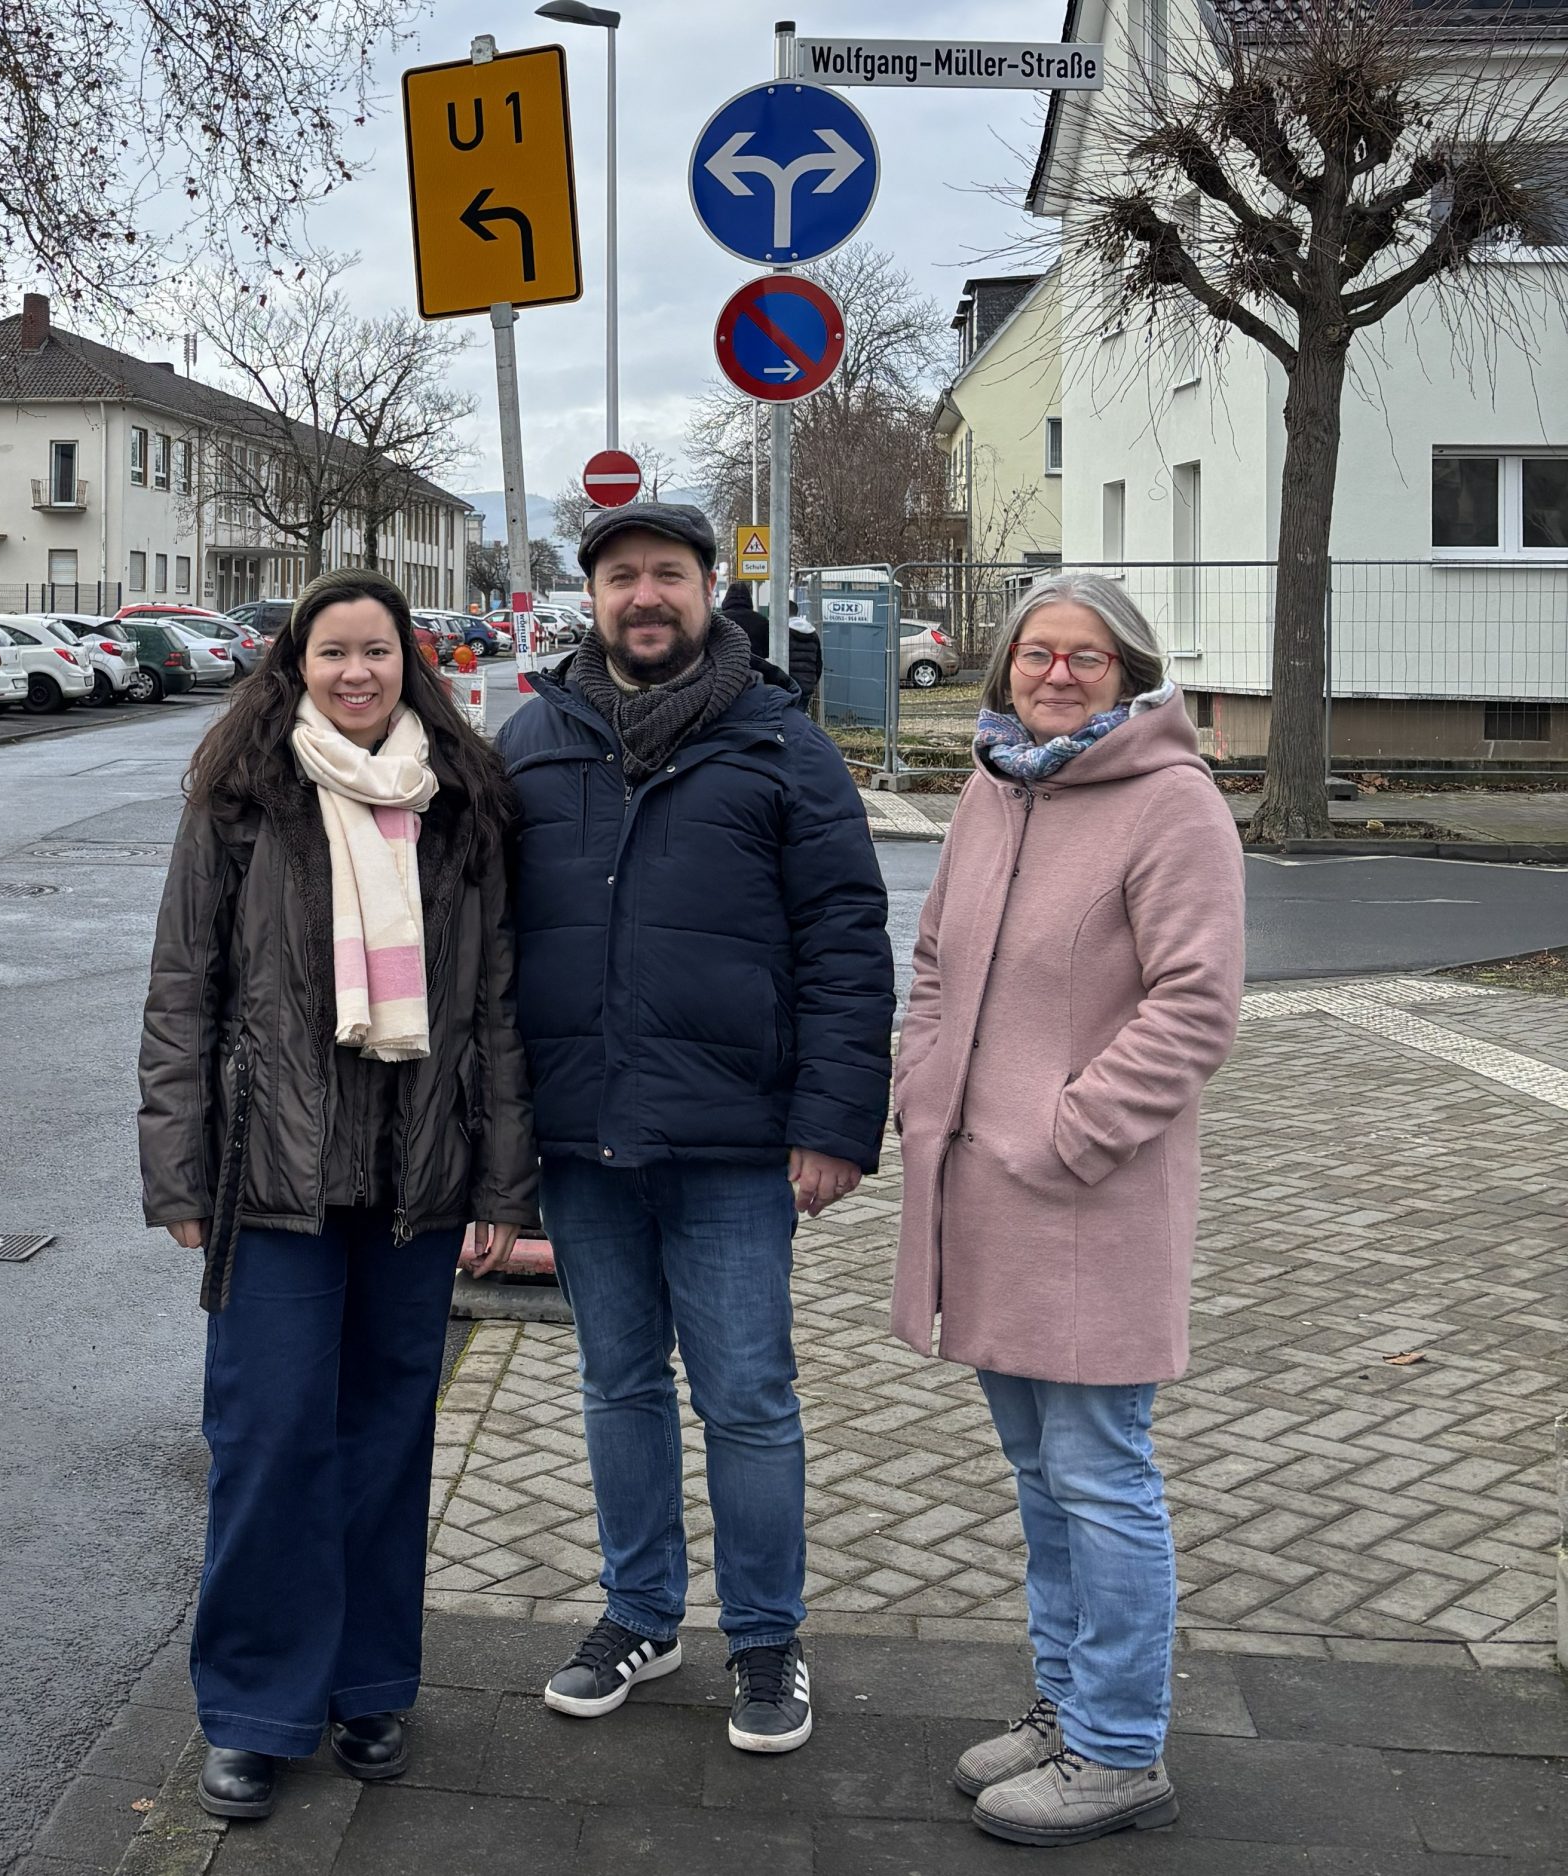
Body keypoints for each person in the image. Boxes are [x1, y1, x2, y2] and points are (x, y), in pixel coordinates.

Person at [137, 566, 538, 1822]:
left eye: (375, 651)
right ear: (294, 666)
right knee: (265, 1444)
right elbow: (181, 994)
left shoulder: (465, 798)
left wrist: (504, 1182)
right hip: (272, 1179)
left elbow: (496, 1008)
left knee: (385, 1437)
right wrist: (178, 1170)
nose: (355, 672)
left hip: (418, 1177)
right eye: (331, 653)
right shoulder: (244, 799)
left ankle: (369, 1685)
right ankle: (256, 1708)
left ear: (408, 661)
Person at [496, 502, 893, 1752]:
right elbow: (483, 952)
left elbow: (845, 943)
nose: (645, 596)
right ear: (594, 598)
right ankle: (641, 1613)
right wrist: (492, 1146)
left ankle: (766, 1639)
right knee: (616, 1385)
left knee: (748, 1398)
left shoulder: (782, 745)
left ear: (709, 589)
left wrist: (833, 1122)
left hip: (733, 1143)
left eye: (668, 573)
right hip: (582, 1136)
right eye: (622, 577)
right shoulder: (529, 742)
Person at [893, 573, 1243, 1847]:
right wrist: (921, 1083)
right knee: (1043, 1475)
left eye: (1084, 656)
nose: (1055, 673)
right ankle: (1064, 1705)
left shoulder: (1172, 804)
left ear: (1128, 670)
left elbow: (1195, 1005)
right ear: (1004, 670)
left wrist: (1071, 1128)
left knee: (1102, 1474)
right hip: (980, 1190)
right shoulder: (998, 786)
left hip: (1090, 1196)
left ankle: (1117, 1748)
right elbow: (933, 958)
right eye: (1035, 653)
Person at [716, 579, 770, 662]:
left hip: (726, 668)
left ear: (726, 598)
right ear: (749, 598)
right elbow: (767, 651)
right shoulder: (762, 621)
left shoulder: (719, 620)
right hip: (756, 669)